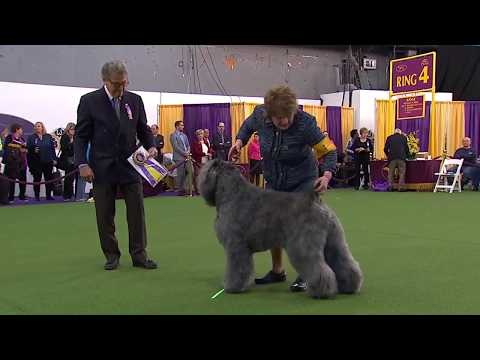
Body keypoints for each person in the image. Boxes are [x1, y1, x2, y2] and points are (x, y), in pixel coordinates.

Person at [228, 85, 337, 292]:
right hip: (274, 180)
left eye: (288, 115)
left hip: (303, 180)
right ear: (269, 114)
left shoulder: (306, 124)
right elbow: (247, 126)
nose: (284, 121)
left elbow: (329, 151)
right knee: (272, 225)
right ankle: (278, 271)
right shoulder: (260, 114)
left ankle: (308, 272)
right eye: (279, 117)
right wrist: (239, 142)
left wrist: (326, 175)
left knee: (302, 226)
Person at [74, 60, 158, 271]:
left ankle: (139, 255)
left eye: (124, 83)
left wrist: (152, 146)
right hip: (101, 167)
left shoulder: (135, 100)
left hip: (131, 165)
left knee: (137, 213)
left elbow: (143, 129)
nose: (121, 88)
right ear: (105, 81)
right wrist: (82, 163)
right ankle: (111, 255)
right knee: (104, 214)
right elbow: (81, 137)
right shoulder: (89, 101)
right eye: (116, 84)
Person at [27, 122, 57, 201]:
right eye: (36, 126)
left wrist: (54, 159)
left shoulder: (48, 136)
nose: (37, 128)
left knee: (49, 179)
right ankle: (37, 196)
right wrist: (33, 150)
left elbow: (52, 149)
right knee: (37, 179)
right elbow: (27, 149)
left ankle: (48, 196)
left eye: (39, 126)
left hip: (48, 161)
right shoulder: (31, 137)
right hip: (36, 162)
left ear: (42, 127)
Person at [2, 124, 28, 202]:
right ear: (17, 129)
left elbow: (26, 150)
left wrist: (24, 149)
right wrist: (20, 146)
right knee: (11, 181)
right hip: (11, 163)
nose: (22, 131)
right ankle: (11, 197)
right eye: (21, 129)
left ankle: (22, 196)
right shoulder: (9, 137)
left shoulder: (22, 139)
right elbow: (7, 145)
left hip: (22, 163)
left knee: (23, 181)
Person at [170, 120, 192, 196]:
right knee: (181, 174)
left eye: (183, 125)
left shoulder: (184, 135)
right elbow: (175, 147)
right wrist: (184, 153)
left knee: (191, 171)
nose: (183, 126)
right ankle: (180, 190)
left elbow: (188, 145)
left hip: (187, 157)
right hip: (179, 158)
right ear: (177, 126)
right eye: (181, 125)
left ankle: (186, 188)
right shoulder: (173, 135)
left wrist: (188, 152)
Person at [59, 122, 77, 201]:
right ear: (68, 129)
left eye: (74, 129)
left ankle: (71, 194)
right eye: (71, 129)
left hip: (74, 159)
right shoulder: (64, 137)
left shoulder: (76, 137)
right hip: (67, 160)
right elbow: (65, 148)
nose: (73, 131)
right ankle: (66, 195)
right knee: (68, 178)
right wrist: (72, 142)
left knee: (72, 178)